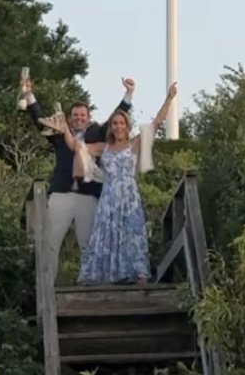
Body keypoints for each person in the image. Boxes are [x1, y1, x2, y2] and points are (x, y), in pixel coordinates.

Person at [17, 70, 134, 275]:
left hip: (87, 195)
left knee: (88, 244)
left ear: (88, 118)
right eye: (75, 115)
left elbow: (115, 119)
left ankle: (90, 286)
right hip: (61, 193)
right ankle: (47, 287)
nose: (79, 118)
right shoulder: (60, 134)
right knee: (50, 243)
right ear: (70, 118)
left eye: (82, 115)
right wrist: (29, 94)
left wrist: (128, 95)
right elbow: (39, 119)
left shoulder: (97, 133)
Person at [75, 82, 177, 286]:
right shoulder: (103, 147)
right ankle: (106, 277)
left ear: (127, 126)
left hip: (129, 198)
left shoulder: (134, 145)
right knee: (107, 235)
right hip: (109, 198)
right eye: (115, 123)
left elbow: (156, 123)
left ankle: (138, 276)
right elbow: (76, 145)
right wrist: (67, 128)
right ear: (111, 127)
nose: (118, 127)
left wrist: (169, 99)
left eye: (122, 123)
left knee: (132, 233)